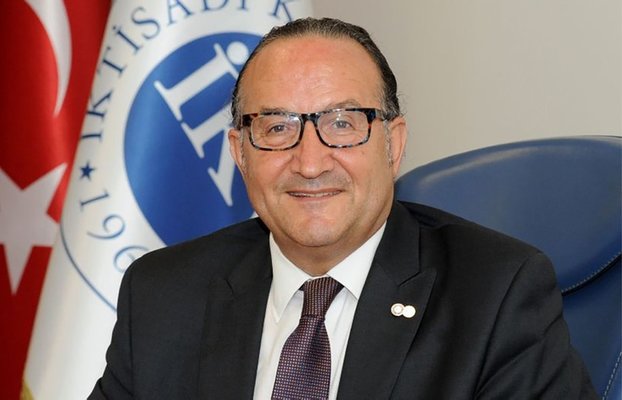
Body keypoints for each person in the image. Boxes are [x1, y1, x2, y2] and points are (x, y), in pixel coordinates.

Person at [89, 17, 596, 399]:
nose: (310, 163)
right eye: (277, 127)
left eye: (342, 124)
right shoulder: (163, 294)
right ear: (240, 153)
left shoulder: (496, 294)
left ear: (393, 145)